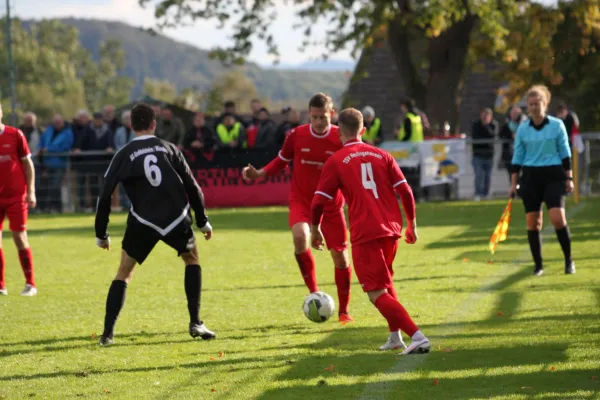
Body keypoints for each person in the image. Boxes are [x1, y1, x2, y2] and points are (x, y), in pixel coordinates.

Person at [310, 108, 429, 354]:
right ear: (363, 130)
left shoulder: (336, 161)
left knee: (376, 292)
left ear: (339, 133)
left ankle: (417, 336)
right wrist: (412, 224)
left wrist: (315, 228)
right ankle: (395, 336)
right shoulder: (383, 155)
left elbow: (319, 201)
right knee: (385, 283)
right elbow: (406, 191)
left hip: (366, 232)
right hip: (391, 230)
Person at [95, 103, 215, 345]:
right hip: (176, 218)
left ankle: (107, 334)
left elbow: (105, 193)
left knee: (124, 273)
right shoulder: (169, 148)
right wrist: (202, 221)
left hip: (143, 221)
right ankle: (195, 322)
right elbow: (193, 187)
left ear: (131, 125)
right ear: (153, 124)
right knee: (191, 260)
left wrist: (102, 233)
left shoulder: (124, 154)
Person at [242, 93, 354, 323]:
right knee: (300, 236)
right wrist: (259, 173)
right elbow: (281, 160)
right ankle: (313, 293)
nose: (318, 122)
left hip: (332, 206)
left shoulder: (340, 138)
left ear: (331, 115)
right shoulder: (297, 135)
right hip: (302, 200)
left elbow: (351, 170)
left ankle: (344, 312)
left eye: (323, 117)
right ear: (308, 115)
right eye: (314, 117)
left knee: (341, 259)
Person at [509, 85, 575, 276]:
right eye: (530, 104)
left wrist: (568, 177)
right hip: (530, 178)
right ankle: (538, 266)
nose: (534, 107)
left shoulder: (556, 125)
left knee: (557, 218)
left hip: (553, 176)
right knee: (533, 223)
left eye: (537, 104)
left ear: (545, 104)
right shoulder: (523, 129)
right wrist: (513, 183)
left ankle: (568, 261)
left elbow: (565, 153)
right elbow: (517, 157)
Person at [0, 103, 38, 296]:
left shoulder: (15, 135)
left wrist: (31, 191)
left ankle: (30, 284)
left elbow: (27, 163)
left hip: (16, 196)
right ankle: (1, 286)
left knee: (19, 237)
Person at [471, 107, 499, 201]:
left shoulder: (493, 125)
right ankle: (478, 194)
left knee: (488, 176)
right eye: (483, 115)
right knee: (479, 175)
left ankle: (486, 193)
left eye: (487, 115)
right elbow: (475, 136)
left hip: (489, 155)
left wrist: (486, 126)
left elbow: (492, 136)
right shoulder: (476, 124)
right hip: (478, 155)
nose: (485, 117)